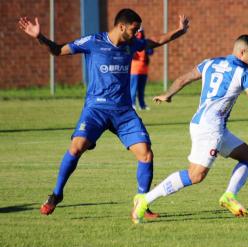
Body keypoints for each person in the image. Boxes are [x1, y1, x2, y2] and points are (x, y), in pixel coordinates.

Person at [18, 9, 189, 219]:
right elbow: (57, 50)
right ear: (121, 27)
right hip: (96, 110)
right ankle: (56, 194)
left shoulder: (131, 44)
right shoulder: (93, 41)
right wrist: (39, 37)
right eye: (134, 30)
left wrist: (179, 31)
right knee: (76, 147)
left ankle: (141, 202)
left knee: (146, 154)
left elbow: (156, 41)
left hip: (124, 112)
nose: (137, 35)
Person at [131, 34, 248, 224]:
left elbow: (184, 78)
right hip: (211, 130)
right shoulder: (243, 73)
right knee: (195, 175)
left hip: (204, 124)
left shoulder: (210, 62)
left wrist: (168, 94)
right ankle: (144, 200)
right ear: (242, 52)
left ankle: (229, 196)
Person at [130, 28, 153, 110]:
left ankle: (142, 105)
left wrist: (147, 47)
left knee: (141, 90)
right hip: (134, 70)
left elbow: (151, 52)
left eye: (140, 33)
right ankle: (132, 104)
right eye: (137, 33)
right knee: (133, 89)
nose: (139, 34)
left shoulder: (144, 43)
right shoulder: (132, 43)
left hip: (144, 70)